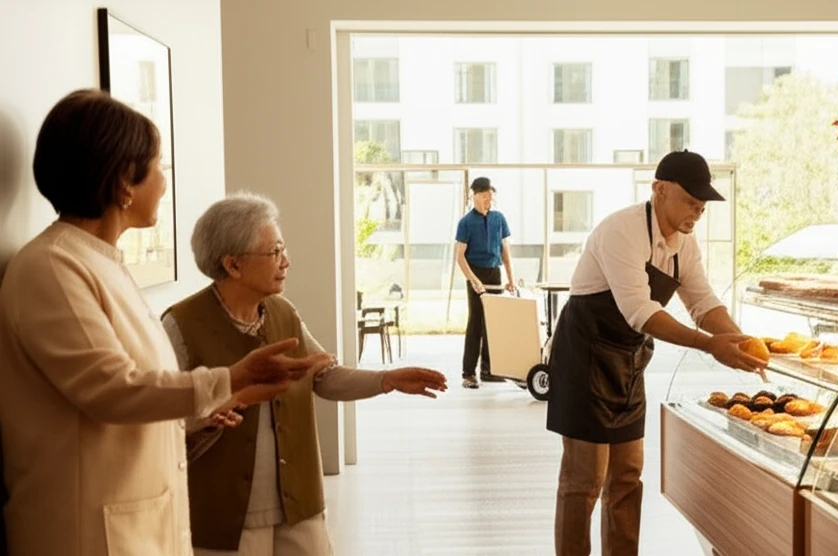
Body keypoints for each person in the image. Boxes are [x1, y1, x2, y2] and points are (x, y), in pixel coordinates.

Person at [0, 89, 332, 556]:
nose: (165, 181)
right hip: (87, 532)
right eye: (159, 167)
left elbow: (147, 393)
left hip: (134, 524)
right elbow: (111, 389)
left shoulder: (102, 263)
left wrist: (234, 393)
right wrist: (233, 377)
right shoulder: (52, 268)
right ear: (122, 182)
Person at [162, 192, 448, 555]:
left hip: (298, 507)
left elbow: (323, 376)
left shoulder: (283, 313)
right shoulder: (181, 324)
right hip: (225, 517)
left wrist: (386, 380)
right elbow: (163, 416)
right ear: (233, 265)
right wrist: (211, 413)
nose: (287, 262)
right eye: (275, 252)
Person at [545, 150, 767, 556]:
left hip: (627, 361)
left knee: (628, 476)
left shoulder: (685, 244)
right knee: (584, 480)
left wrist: (742, 344)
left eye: (702, 204)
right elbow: (640, 311)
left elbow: (702, 302)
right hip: (584, 356)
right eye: (690, 200)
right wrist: (709, 345)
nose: (698, 210)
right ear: (659, 190)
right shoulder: (622, 230)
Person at [454, 177, 515, 388]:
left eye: (491, 196)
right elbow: (460, 256)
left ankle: (489, 370)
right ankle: (468, 374)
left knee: (493, 322)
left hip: (494, 273)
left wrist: (510, 278)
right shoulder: (466, 222)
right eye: (485, 195)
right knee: (476, 323)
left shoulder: (499, 218)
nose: (489, 199)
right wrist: (473, 280)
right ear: (475, 196)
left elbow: (505, 250)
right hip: (476, 273)